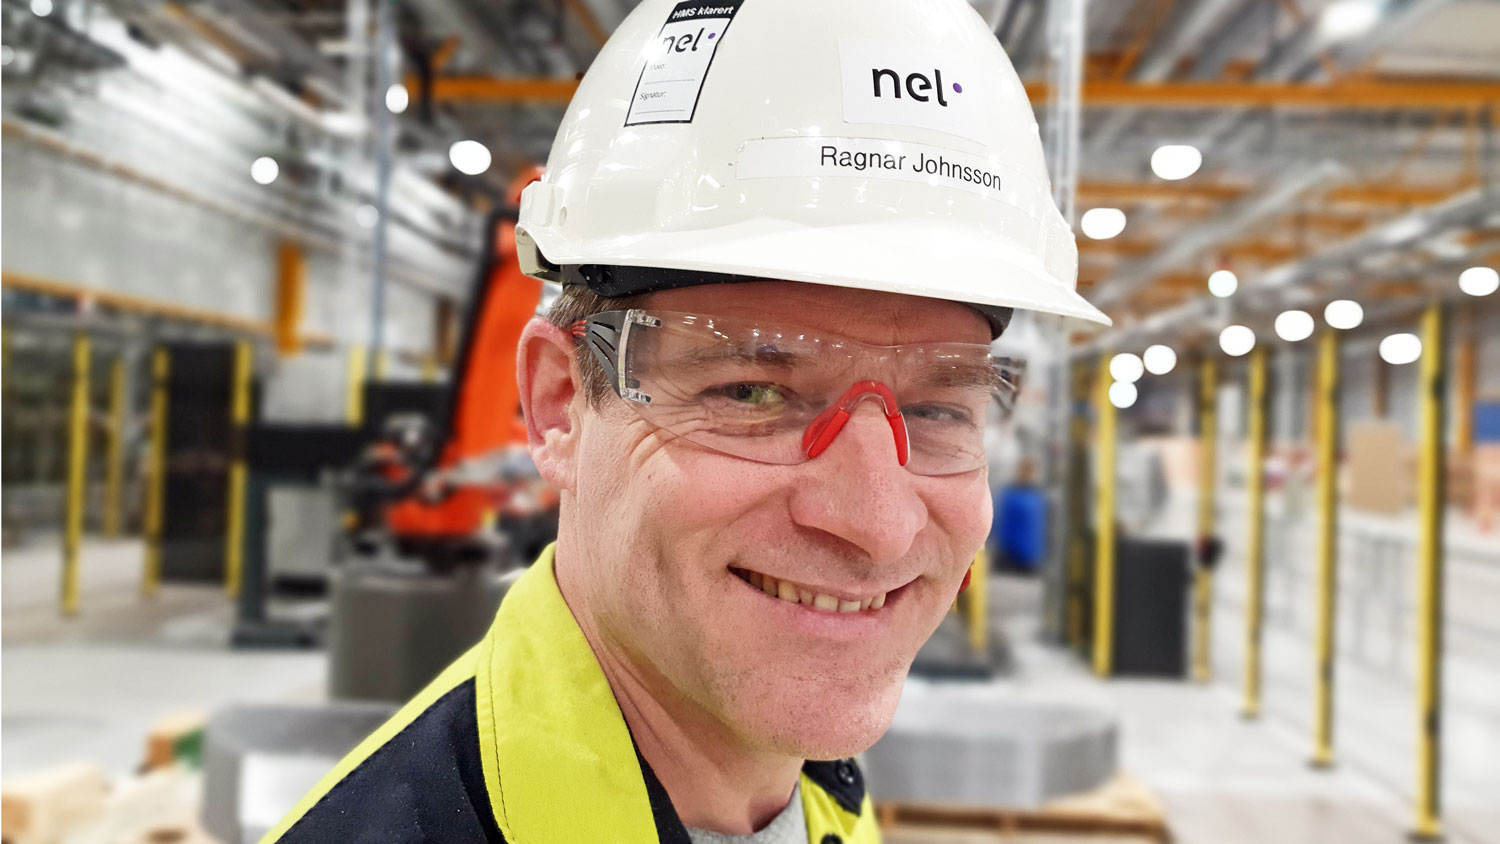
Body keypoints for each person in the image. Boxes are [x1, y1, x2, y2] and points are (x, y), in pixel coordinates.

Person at [262, 0, 1109, 841]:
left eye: (934, 408)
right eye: (752, 394)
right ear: (560, 403)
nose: (879, 527)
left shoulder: (815, 805)